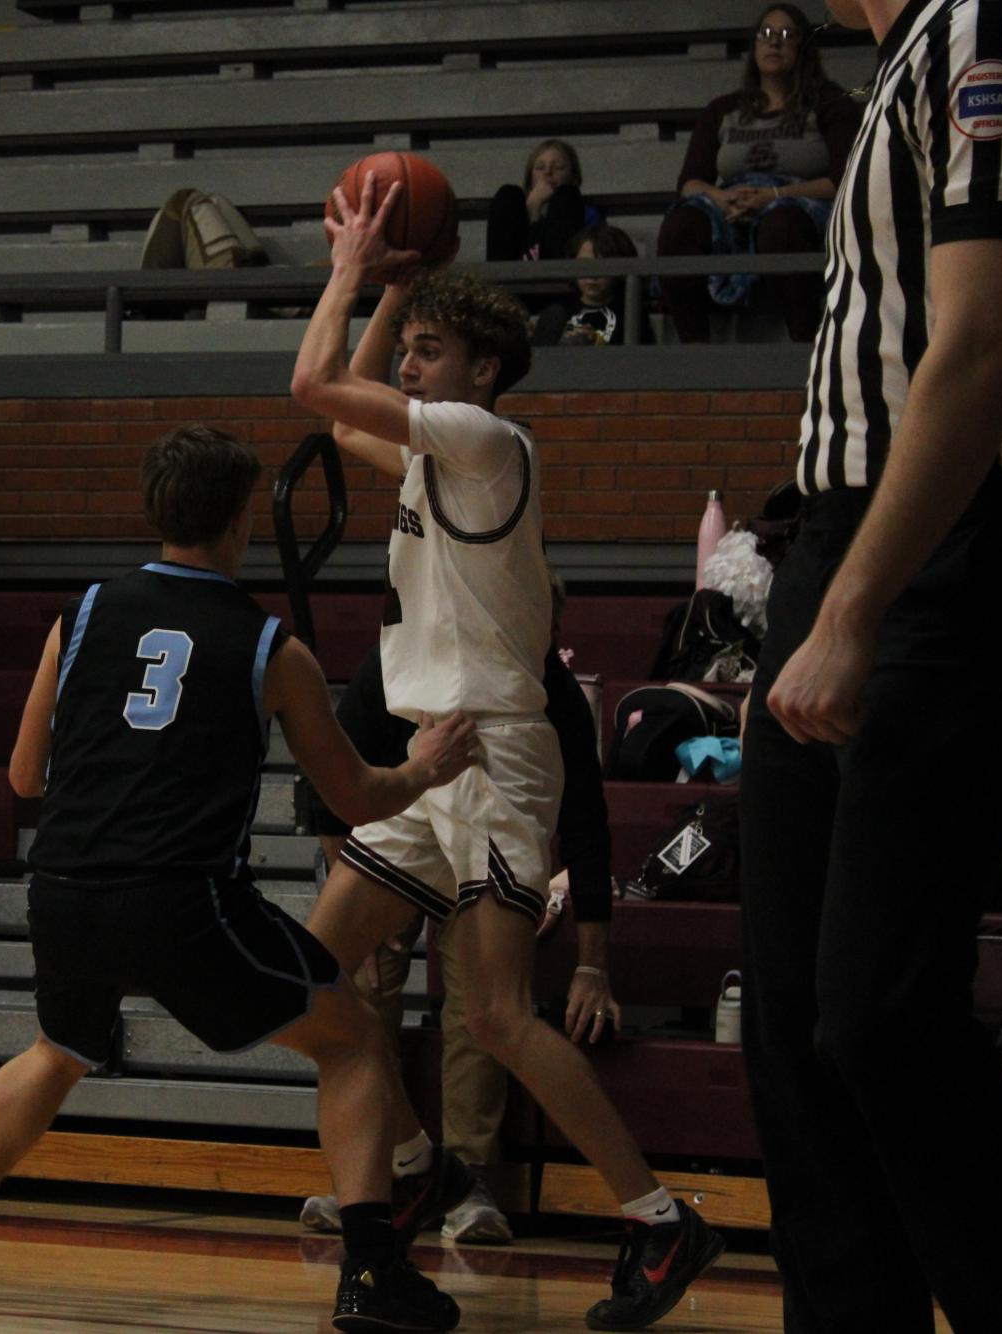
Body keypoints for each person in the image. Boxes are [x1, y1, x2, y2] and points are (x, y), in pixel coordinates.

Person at [0, 424, 480, 1332]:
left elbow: (21, 778)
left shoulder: (79, 614)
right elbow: (354, 797)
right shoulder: (271, 647)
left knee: (58, 1051)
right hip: (182, 896)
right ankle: (370, 1273)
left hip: (66, 886)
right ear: (242, 521)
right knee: (353, 1040)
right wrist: (424, 769)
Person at [291, 181, 719, 1329]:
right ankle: (411, 1168)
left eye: (430, 351)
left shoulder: (487, 440)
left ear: (483, 370)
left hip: (496, 755)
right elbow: (339, 421)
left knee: (493, 1017)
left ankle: (660, 1219)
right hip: (437, 756)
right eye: (411, 351)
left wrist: (349, 275)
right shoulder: (436, 454)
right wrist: (390, 296)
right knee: (306, 986)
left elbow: (314, 387)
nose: (411, 368)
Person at [740, 0, 1002, 1327]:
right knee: (785, 1027)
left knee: (878, 1016)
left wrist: (853, 608)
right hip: (840, 540)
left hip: (946, 560)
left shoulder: (987, 25)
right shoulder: (901, 58)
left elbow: (984, 348)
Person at [296, 576, 619, 1250]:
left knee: (485, 1008)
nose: (538, 642)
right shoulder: (398, 667)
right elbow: (326, 786)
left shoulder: (551, 700)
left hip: (483, 842)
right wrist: (345, 878)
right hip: (395, 829)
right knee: (348, 987)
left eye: (546, 634)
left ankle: (465, 1181)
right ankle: (372, 1179)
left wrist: (593, 964)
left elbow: (587, 829)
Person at [656, 5, 861, 342]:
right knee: (681, 227)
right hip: (732, 203)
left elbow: (845, 181)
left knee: (782, 226)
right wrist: (721, 198)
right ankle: (693, 347)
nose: (774, 43)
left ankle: (803, 341)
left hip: (798, 203)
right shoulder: (722, 109)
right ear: (754, 47)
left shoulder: (829, 102)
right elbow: (690, 183)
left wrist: (775, 196)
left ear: (803, 47)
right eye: (765, 34)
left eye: (785, 35)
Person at [532, 223, 651, 347]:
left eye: (603, 265)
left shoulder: (631, 313)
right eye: (585, 265)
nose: (592, 275)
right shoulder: (556, 314)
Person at [485, 139, 599, 262]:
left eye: (558, 167)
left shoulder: (589, 214)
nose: (548, 172)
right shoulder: (514, 212)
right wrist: (533, 213)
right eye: (540, 167)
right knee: (508, 194)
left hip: (560, 276)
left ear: (574, 177)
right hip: (514, 275)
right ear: (530, 179)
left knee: (566, 197)